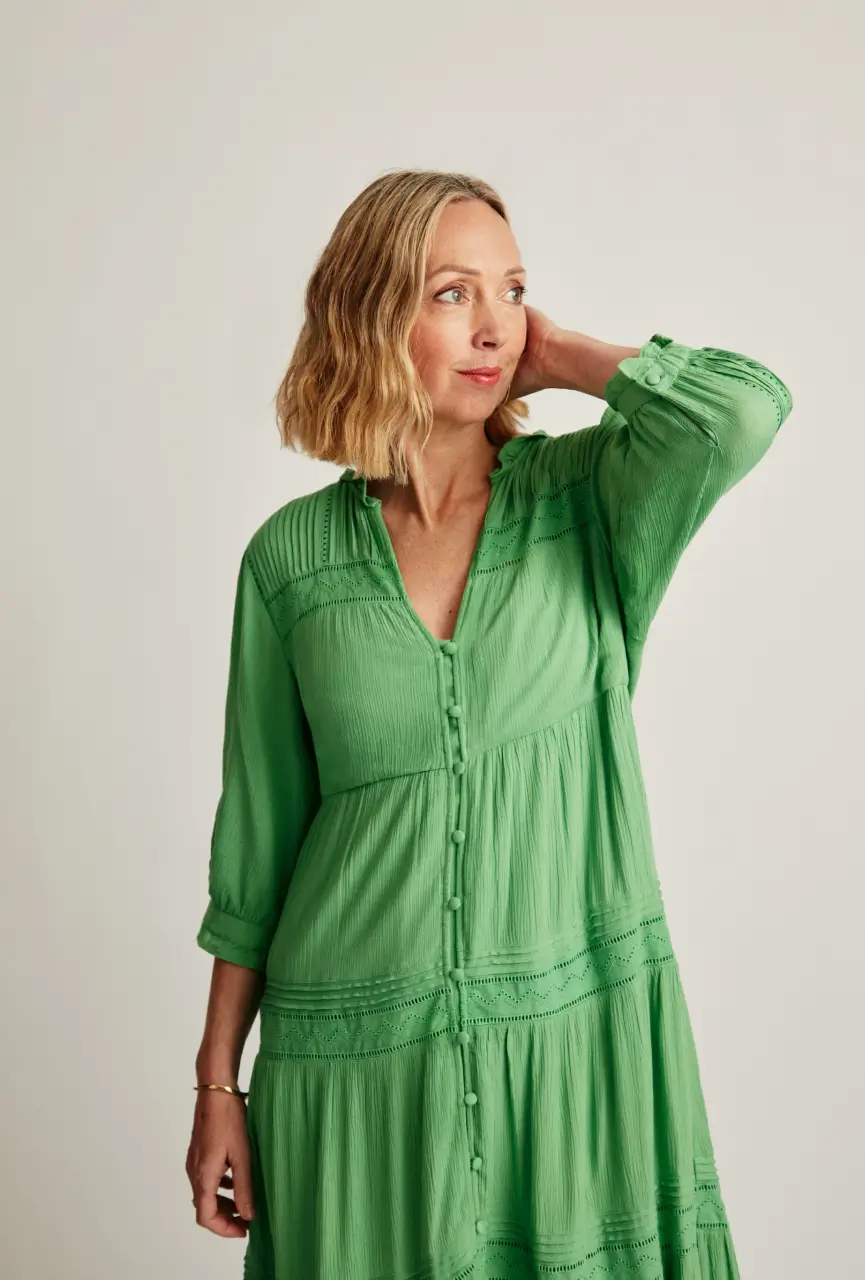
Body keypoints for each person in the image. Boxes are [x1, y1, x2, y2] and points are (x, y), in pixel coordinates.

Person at [185, 168, 792, 1280]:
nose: (494, 324)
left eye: (511, 289)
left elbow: (744, 410)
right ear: (373, 317)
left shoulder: (588, 500)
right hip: (352, 1070)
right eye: (452, 293)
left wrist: (566, 357)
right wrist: (218, 1082)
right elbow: (259, 849)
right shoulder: (289, 563)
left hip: (570, 1048)